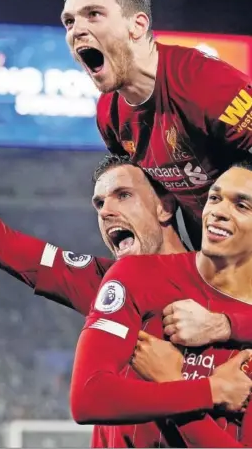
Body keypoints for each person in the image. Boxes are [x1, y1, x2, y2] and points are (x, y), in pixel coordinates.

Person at [0, 105, 252, 447]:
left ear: (164, 205)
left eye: (123, 195)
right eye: (99, 203)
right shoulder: (107, 282)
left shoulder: (226, 289)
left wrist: (226, 324)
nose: (107, 211)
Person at [61, 0, 252, 249]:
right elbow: (156, 200)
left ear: (137, 25)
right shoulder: (109, 117)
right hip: (214, 251)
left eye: (93, 14)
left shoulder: (205, 83)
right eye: (69, 21)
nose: (77, 30)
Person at [71, 162, 252, 447]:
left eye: (242, 205)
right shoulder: (135, 275)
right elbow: (88, 397)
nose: (218, 211)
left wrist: (175, 382)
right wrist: (208, 390)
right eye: (214, 198)